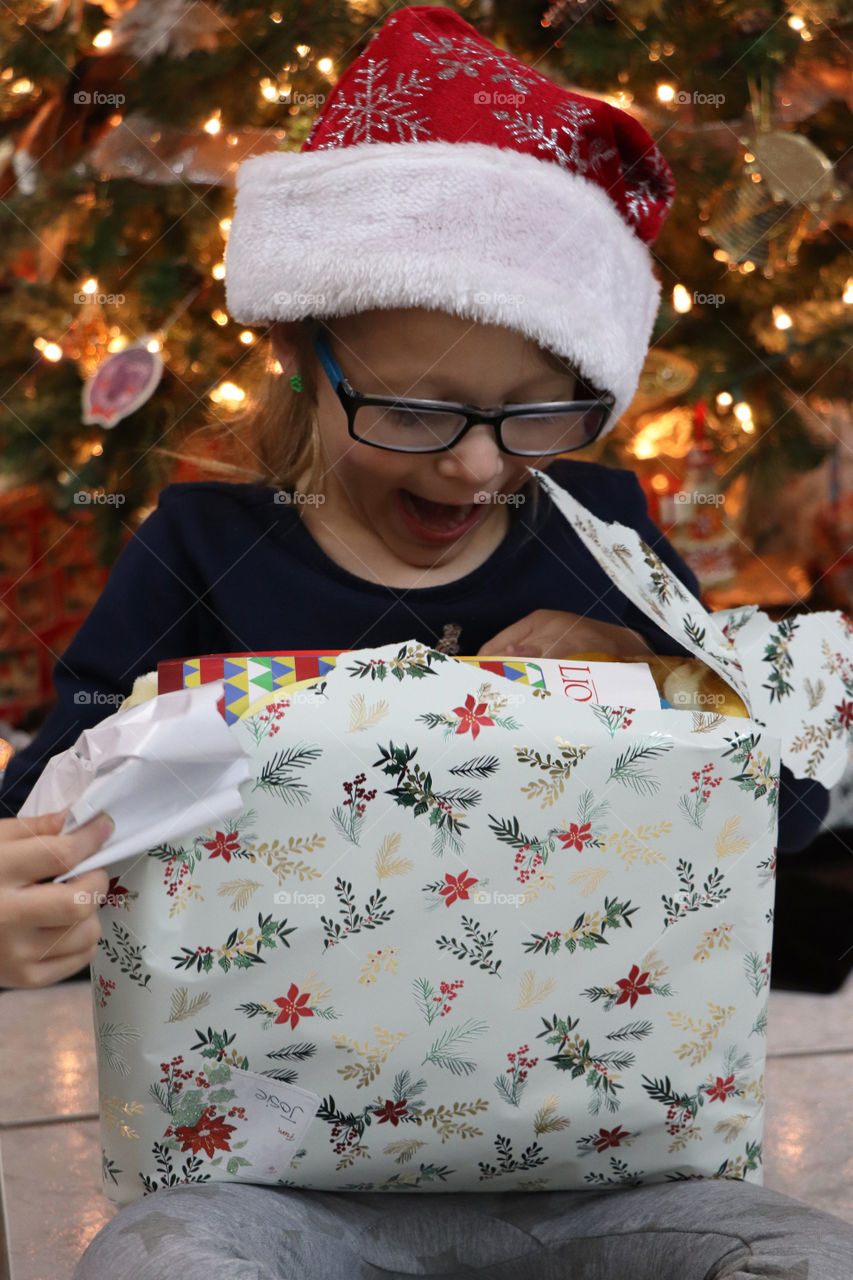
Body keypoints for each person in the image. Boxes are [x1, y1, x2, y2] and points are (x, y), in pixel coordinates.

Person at [0, 6, 847, 1277]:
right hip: (267, 1173)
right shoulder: (197, 546)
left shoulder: (601, 529)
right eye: (414, 408)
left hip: (604, 1161)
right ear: (298, 352)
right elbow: (47, 810)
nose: (474, 464)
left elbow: (775, 817)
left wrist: (652, 683)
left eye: (536, 415)